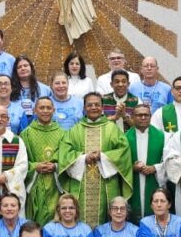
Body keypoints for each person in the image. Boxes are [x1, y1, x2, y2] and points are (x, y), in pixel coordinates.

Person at [57, 93, 133, 225]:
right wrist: (84, 157)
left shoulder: (112, 129)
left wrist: (102, 156)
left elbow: (123, 151)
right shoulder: (75, 130)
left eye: (97, 105)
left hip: (106, 184)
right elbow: (64, 153)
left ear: (102, 107)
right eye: (90, 105)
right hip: (81, 182)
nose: (93, 107)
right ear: (84, 108)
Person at [20, 97, 65, 225]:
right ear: (35, 110)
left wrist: (56, 166)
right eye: (41, 108)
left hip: (56, 186)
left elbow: (69, 159)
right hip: (35, 185)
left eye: (48, 108)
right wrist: (35, 166)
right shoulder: (26, 134)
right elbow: (20, 162)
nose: (45, 111)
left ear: (54, 110)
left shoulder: (63, 134)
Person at [126, 104, 167, 223]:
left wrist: (155, 168)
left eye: (146, 115)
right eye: (139, 115)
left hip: (154, 181)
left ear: (150, 117)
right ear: (132, 117)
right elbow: (119, 163)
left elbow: (170, 161)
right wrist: (132, 168)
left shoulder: (162, 136)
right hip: (133, 184)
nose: (143, 117)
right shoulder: (124, 138)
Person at [11, 55, 51, 120]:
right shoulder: (10, 90)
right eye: (19, 67)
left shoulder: (45, 89)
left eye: (25, 65)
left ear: (31, 68)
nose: (23, 68)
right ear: (16, 71)